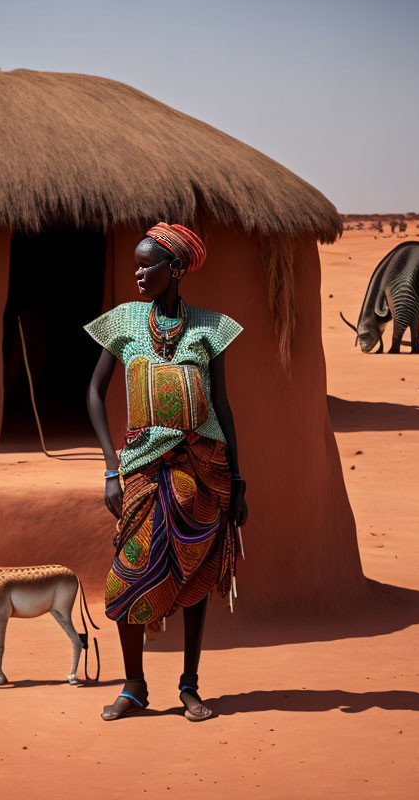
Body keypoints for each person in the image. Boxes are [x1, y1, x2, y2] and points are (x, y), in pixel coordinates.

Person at [83, 221, 248, 722]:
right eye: (134, 263)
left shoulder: (211, 328)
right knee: (125, 579)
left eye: (147, 264)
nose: (137, 272)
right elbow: (93, 393)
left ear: (175, 269)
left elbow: (222, 405)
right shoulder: (122, 322)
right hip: (141, 470)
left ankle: (190, 685)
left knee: (196, 577)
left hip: (203, 471)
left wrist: (237, 481)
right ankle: (134, 686)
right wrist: (111, 468)